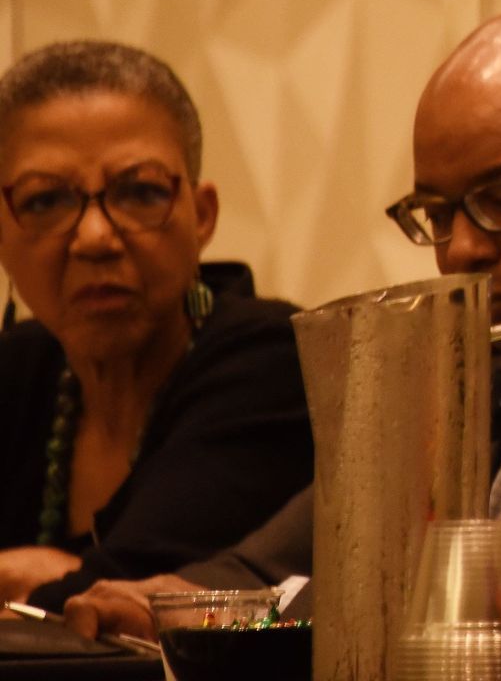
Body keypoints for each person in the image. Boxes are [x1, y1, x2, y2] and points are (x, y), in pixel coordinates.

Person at [61, 7, 501, 640]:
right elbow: (310, 545)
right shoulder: (475, 342)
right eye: (436, 212)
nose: (461, 249)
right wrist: (187, 599)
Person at [0, 41, 312, 609]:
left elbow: (126, 596)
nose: (95, 238)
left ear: (203, 216)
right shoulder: (18, 368)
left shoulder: (272, 359)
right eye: (45, 200)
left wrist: (41, 579)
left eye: (140, 192)